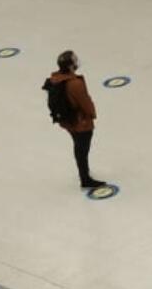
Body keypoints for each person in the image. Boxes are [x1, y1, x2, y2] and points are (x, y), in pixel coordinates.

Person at [45, 51, 106, 189]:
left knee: (78, 146)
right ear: (71, 66)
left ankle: (83, 172)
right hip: (80, 122)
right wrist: (92, 114)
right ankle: (85, 178)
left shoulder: (56, 78)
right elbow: (85, 103)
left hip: (68, 121)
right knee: (82, 148)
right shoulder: (75, 84)